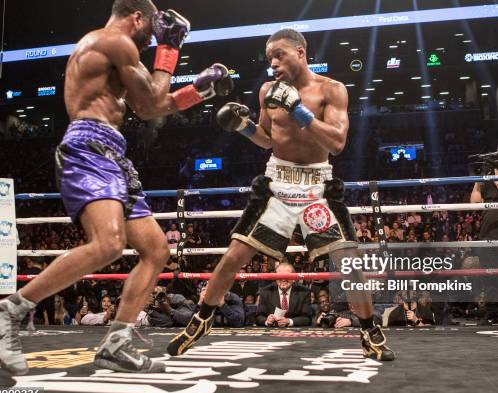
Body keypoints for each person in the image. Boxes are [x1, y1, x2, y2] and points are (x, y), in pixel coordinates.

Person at [0, 0, 232, 375]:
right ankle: (7, 311)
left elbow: (150, 108)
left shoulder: (117, 52)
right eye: (153, 31)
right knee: (109, 244)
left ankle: (116, 343)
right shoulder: (113, 41)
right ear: (137, 18)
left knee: (156, 250)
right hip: (88, 147)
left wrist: (199, 91)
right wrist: (170, 49)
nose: (152, 39)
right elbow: (151, 98)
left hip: (113, 154)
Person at [168, 29, 394, 361]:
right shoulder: (266, 91)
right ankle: (202, 319)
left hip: (318, 185)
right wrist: (243, 127)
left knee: (350, 263)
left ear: (301, 52)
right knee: (233, 256)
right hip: (278, 182)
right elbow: (267, 139)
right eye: (269, 57)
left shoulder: (331, 90)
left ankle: (368, 330)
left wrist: (300, 112)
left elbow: (337, 143)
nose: (272, 63)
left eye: (279, 55)